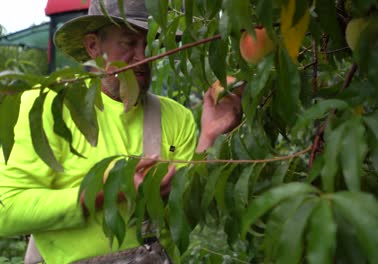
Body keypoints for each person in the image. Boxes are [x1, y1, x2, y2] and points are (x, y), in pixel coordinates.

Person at [0, 0, 242, 263]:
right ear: (93, 46)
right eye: (128, 43)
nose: (143, 57)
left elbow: (183, 219)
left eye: (151, 43)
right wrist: (110, 192)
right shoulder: (47, 108)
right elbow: (7, 211)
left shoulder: (175, 116)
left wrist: (209, 136)